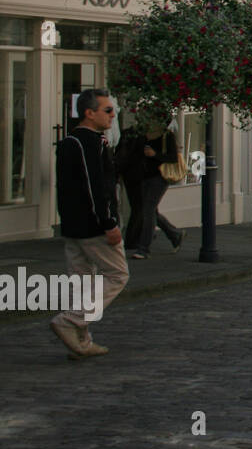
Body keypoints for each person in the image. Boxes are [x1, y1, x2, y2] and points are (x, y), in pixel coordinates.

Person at [51, 89, 127, 358]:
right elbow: (97, 188)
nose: (112, 115)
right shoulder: (87, 143)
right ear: (89, 113)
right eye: (107, 110)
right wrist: (108, 223)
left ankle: (81, 341)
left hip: (73, 224)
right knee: (118, 274)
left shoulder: (72, 141)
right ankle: (71, 320)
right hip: (91, 225)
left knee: (81, 280)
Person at [118, 121, 184, 260]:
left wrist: (155, 154)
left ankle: (143, 248)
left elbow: (173, 158)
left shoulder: (167, 135)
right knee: (151, 211)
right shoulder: (142, 134)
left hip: (159, 177)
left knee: (147, 210)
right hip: (144, 176)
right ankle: (175, 234)